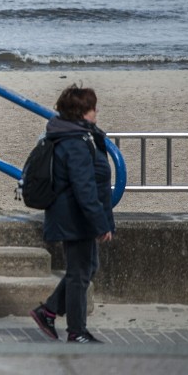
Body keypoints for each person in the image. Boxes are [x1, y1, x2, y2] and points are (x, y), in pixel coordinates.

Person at [29, 84, 114, 344]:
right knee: (79, 274)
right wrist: (101, 223)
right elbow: (84, 188)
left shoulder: (79, 135)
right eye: (92, 107)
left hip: (75, 216)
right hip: (74, 218)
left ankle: (49, 311)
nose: (96, 111)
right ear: (82, 112)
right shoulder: (75, 142)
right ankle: (76, 331)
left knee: (88, 268)